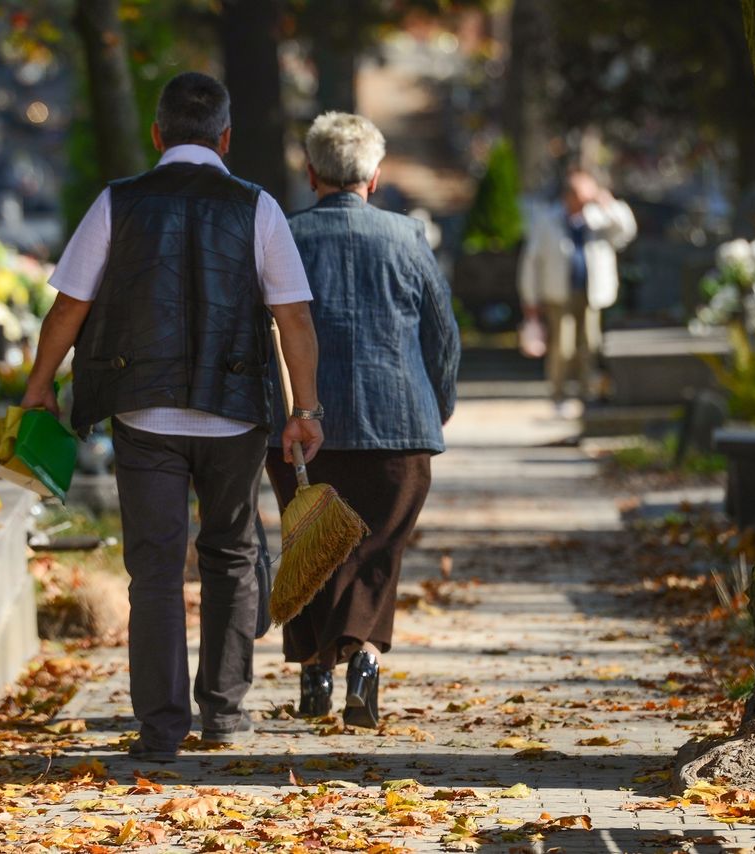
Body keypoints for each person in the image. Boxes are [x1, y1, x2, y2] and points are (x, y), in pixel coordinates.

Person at [20, 72, 323, 762]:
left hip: (145, 412)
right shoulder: (257, 207)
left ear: (157, 136)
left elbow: (70, 305)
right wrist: (305, 410)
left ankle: (161, 730)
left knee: (154, 573)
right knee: (231, 553)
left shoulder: (118, 203)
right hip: (235, 412)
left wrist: (40, 385)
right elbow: (294, 316)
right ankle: (224, 711)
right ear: (225, 138)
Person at [265, 112, 460, 729]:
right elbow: (442, 337)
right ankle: (366, 660)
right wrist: (439, 406)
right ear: (374, 177)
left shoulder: (283, 236)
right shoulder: (408, 239)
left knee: (309, 545)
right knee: (377, 550)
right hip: (398, 425)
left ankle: (316, 671)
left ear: (311, 171)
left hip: (301, 424)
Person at [517, 168, 637, 409]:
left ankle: (587, 395)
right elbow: (531, 261)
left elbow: (627, 230)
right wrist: (530, 299)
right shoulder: (548, 219)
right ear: (569, 195)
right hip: (558, 293)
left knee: (590, 345)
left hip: (591, 293)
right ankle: (558, 395)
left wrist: (608, 203)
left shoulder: (599, 218)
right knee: (562, 347)